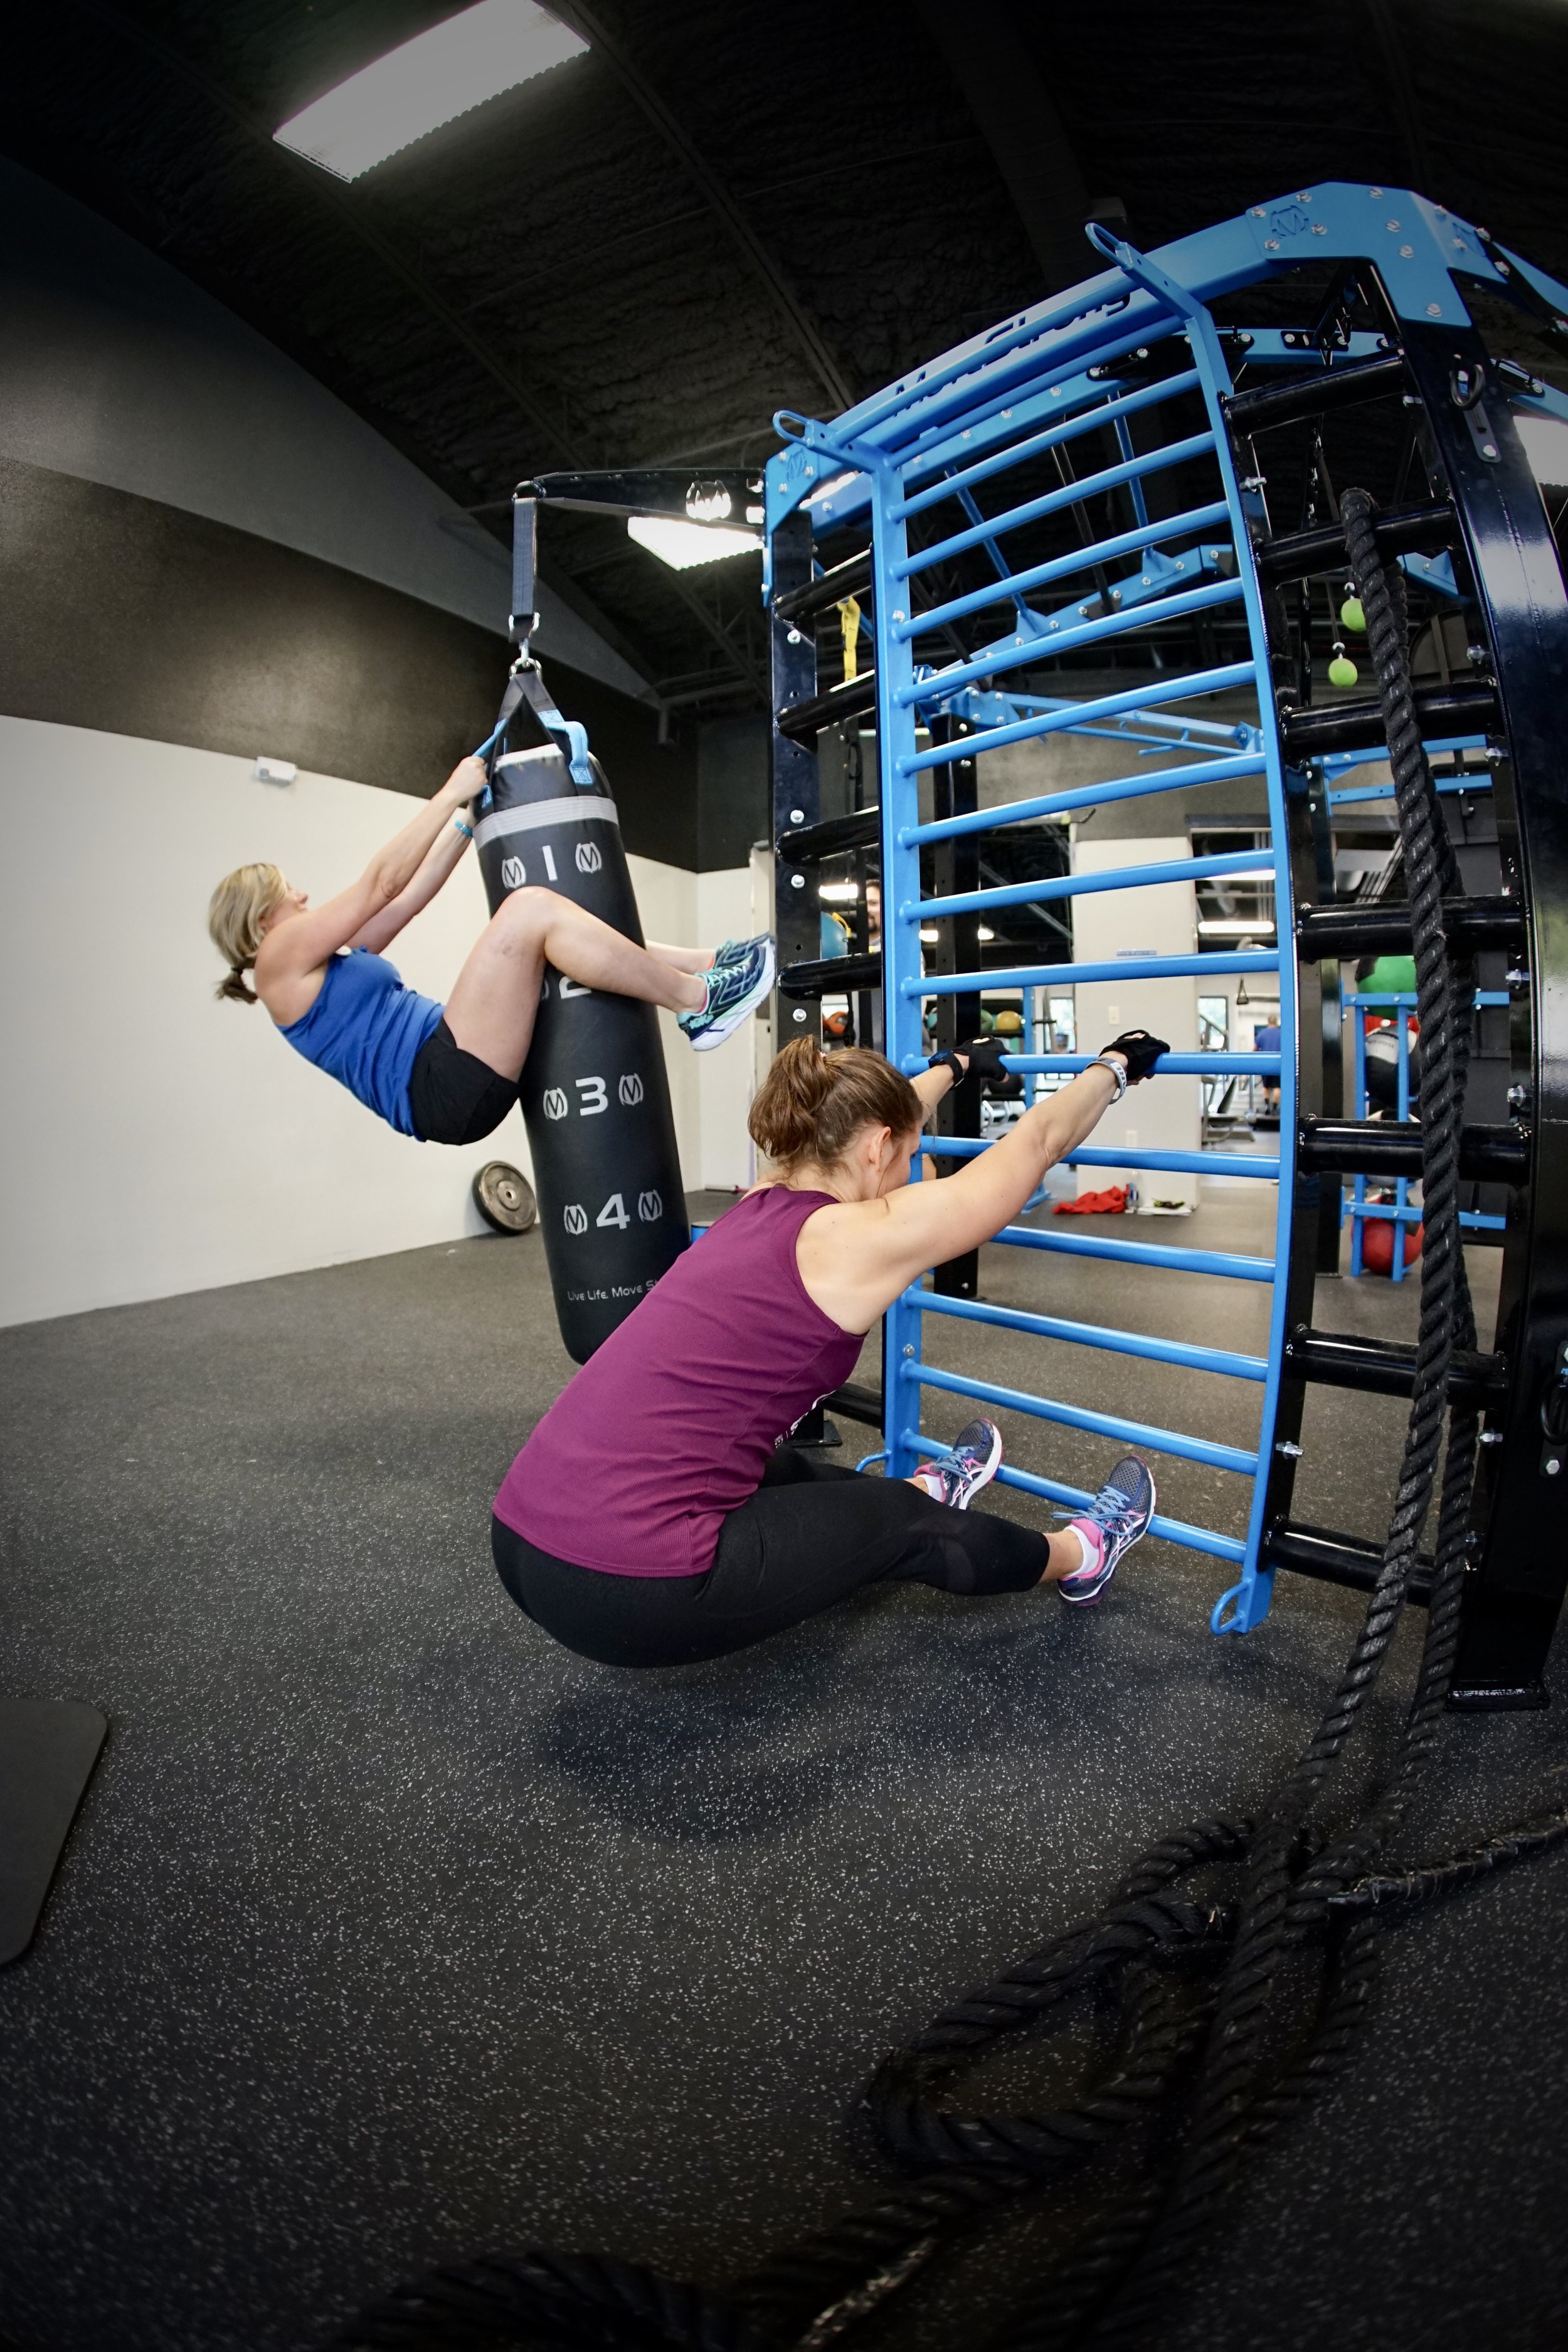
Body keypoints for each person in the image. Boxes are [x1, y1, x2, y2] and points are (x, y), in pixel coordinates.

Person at [490, 1026, 1170, 1668]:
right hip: (626, 1590)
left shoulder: (761, 1199)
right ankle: (1081, 1553)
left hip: (522, 1541)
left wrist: (950, 1069)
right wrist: (1112, 1067)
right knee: (900, 1524)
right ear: (878, 1149)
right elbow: (1041, 1139)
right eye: (909, 1153)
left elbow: (864, 1125)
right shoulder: (855, 1239)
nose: (910, 1167)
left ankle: (928, 1488)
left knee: (778, 1469)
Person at [206, 755, 775, 1145]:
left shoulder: (316, 965)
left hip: (451, 1059)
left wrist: (465, 821)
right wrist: (449, 790)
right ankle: (699, 1002)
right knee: (530, 911)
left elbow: (406, 901)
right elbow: (380, 884)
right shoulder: (277, 959)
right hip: (440, 1081)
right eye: (289, 893)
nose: (303, 895)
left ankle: (709, 965)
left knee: (567, 930)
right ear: (261, 919)